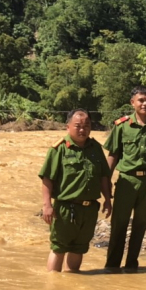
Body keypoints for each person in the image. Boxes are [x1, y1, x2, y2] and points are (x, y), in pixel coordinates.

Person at [104, 86, 146, 272]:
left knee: (141, 223)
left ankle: (131, 264)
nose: (145, 104)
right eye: (141, 100)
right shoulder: (122, 126)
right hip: (127, 180)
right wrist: (105, 180)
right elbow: (113, 155)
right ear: (132, 103)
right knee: (119, 222)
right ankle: (112, 265)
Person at [39, 109, 112, 272]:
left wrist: (107, 199)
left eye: (86, 126)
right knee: (59, 248)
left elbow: (103, 177)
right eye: (77, 126)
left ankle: (71, 283)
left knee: (79, 247)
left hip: (89, 208)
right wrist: (47, 205)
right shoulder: (59, 149)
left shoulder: (96, 149)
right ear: (68, 127)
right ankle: (52, 286)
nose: (82, 130)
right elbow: (47, 179)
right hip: (65, 208)